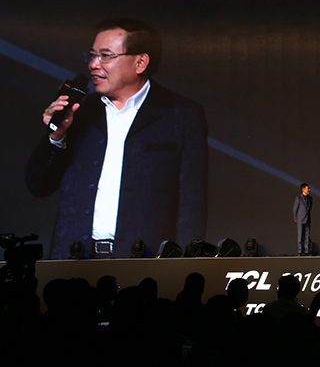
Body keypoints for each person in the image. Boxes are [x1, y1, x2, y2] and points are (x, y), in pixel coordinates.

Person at [25, 19, 208, 260]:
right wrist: (56, 136)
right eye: (92, 55)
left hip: (143, 262)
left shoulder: (180, 114)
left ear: (140, 62)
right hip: (73, 261)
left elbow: (191, 204)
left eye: (105, 56)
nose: (93, 65)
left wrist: (184, 264)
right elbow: (38, 186)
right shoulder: (80, 111)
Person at [293, 183, 313, 256]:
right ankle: (300, 251)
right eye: (308, 188)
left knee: (307, 235)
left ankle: (307, 251)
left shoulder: (310, 198)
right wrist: (295, 217)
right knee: (300, 236)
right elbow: (295, 209)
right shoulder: (298, 198)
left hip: (307, 218)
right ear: (303, 189)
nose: (309, 190)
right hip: (300, 219)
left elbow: (309, 208)